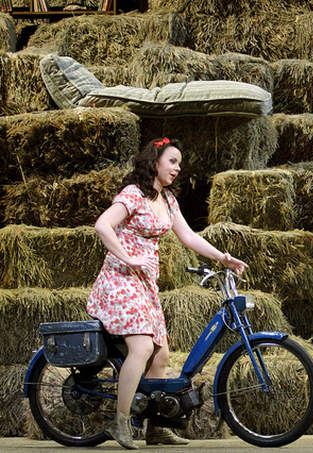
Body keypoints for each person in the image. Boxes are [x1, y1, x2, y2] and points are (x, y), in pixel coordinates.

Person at [87, 137, 248, 450]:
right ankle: (119, 422)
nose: (177, 168)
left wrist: (223, 257)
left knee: (161, 355)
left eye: (179, 164)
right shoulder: (133, 195)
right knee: (143, 348)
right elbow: (102, 225)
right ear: (155, 161)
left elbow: (189, 237)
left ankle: (157, 428)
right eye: (172, 161)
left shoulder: (168, 201)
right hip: (120, 281)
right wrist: (129, 257)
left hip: (145, 286)